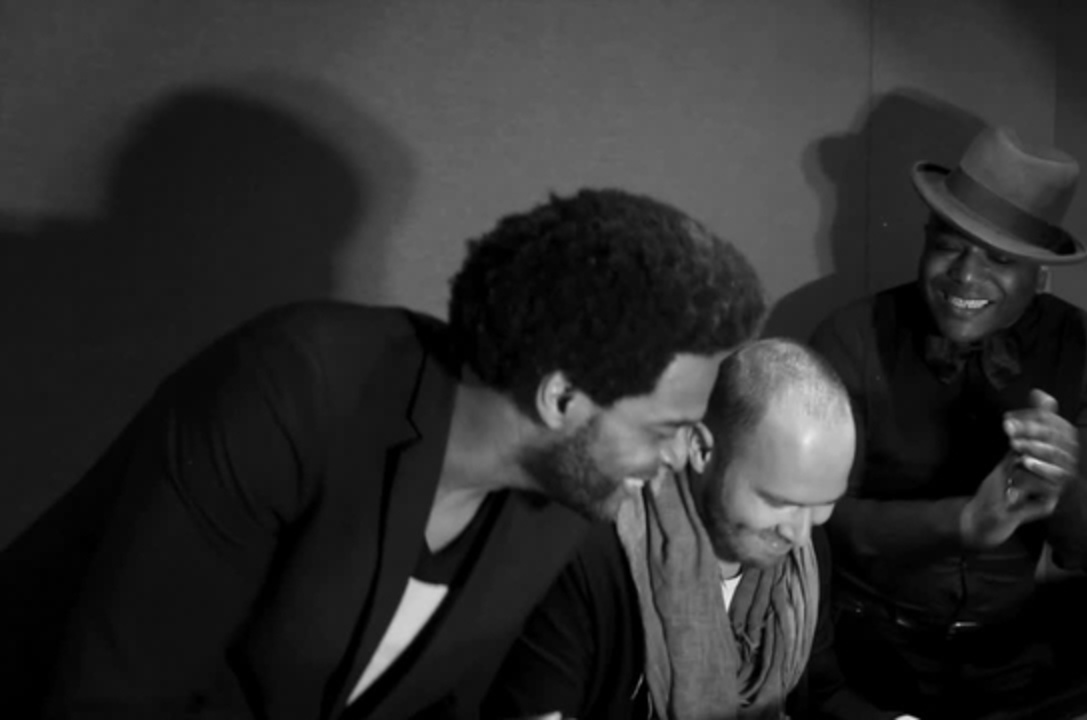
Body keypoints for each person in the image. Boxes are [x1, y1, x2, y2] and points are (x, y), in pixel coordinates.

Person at [18, 188, 766, 718]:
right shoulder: (292, 391)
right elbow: (117, 696)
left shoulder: (563, 501)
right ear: (563, 397)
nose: (682, 456)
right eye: (665, 427)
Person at [809, 126, 1087, 719]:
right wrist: (964, 522)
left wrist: (1062, 485)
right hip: (863, 661)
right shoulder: (850, 337)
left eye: (1000, 259)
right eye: (948, 246)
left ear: (1042, 275)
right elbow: (820, 525)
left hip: (1012, 665)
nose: (964, 275)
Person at [484, 338, 882, 720]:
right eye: (780, 501)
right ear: (701, 450)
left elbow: (823, 692)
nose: (799, 534)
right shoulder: (591, 556)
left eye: (823, 504)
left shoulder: (804, 556)